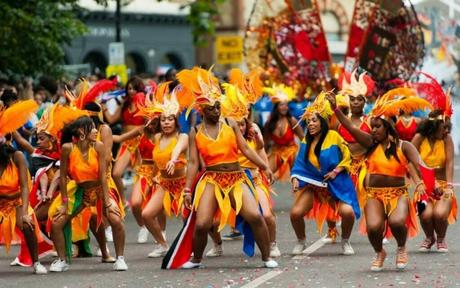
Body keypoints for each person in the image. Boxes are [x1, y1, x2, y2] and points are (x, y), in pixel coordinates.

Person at [162, 67, 278, 269]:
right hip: (211, 179)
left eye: (218, 106)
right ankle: (196, 259)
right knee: (202, 224)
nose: (216, 111)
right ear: (201, 111)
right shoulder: (195, 132)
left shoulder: (231, 123)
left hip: (236, 177)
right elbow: (193, 163)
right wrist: (188, 190)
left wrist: (264, 166)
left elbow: (246, 150)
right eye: (211, 108)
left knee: (255, 217)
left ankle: (267, 257)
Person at [327, 87, 432, 271]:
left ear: (388, 127)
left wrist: (427, 184)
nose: (373, 130)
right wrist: (336, 109)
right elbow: (351, 127)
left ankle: (401, 247)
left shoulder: (404, 146)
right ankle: (379, 252)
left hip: (398, 194)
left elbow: (420, 165)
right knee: (374, 228)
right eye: (372, 126)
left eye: (377, 127)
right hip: (374, 195)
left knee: (397, 222)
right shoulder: (369, 143)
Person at [48, 116, 127, 272]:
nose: (96, 130)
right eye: (92, 127)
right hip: (80, 190)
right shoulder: (67, 148)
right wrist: (64, 203)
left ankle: (120, 258)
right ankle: (62, 260)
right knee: (56, 222)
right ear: (81, 133)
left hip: (101, 188)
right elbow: (62, 177)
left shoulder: (99, 146)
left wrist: (107, 202)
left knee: (115, 219)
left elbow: (104, 176)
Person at [289, 92, 360, 256]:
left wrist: (337, 171)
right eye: (308, 121)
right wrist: (294, 178)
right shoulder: (306, 140)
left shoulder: (334, 136)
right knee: (295, 214)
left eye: (314, 120)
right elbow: (299, 165)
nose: (311, 124)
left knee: (347, 212)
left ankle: (346, 241)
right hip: (314, 185)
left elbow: (348, 156)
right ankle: (301, 240)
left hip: (336, 184)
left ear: (322, 122)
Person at [139, 82, 188, 258]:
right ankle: (162, 244)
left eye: (170, 119)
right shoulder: (158, 137)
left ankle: (216, 243)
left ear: (176, 121)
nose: (166, 123)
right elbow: (154, 161)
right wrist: (152, 178)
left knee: (190, 218)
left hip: (183, 184)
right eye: (163, 119)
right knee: (146, 214)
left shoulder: (183, 136)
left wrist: (174, 160)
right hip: (165, 184)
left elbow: (177, 151)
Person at [0, 99, 47, 274]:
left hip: (17, 201)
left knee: (27, 224)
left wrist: (26, 210)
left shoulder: (17, 156)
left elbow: (25, 186)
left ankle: (36, 263)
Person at [412, 110, 456, 252]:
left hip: (443, 185)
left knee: (440, 214)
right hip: (424, 185)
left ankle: (441, 238)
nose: (447, 131)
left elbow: (449, 163)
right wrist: (421, 182)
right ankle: (430, 237)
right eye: (444, 127)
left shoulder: (447, 139)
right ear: (433, 126)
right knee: (425, 215)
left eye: (448, 127)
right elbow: (409, 161)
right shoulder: (419, 138)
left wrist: (449, 185)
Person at [104, 76, 146, 206]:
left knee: (143, 173)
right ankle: (123, 200)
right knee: (116, 173)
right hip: (126, 142)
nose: (131, 91)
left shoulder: (144, 103)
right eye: (129, 89)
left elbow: (148, 123)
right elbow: (111, 120)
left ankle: (142, 200)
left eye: (134, 88)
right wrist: (103, 106)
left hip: (141, 142)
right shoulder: (124, 104)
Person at [263, 84, 304, 181]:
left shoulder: (291, 120)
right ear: (276, 107)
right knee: (264, 176)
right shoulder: (270, 123)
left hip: (292, 152)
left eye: (286, 105)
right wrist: (261, 159)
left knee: (298, 178)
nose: (285, 107)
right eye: (282, 105)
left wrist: (306, 155)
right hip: (277, 151)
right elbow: (265, 143)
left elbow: (303, 137)